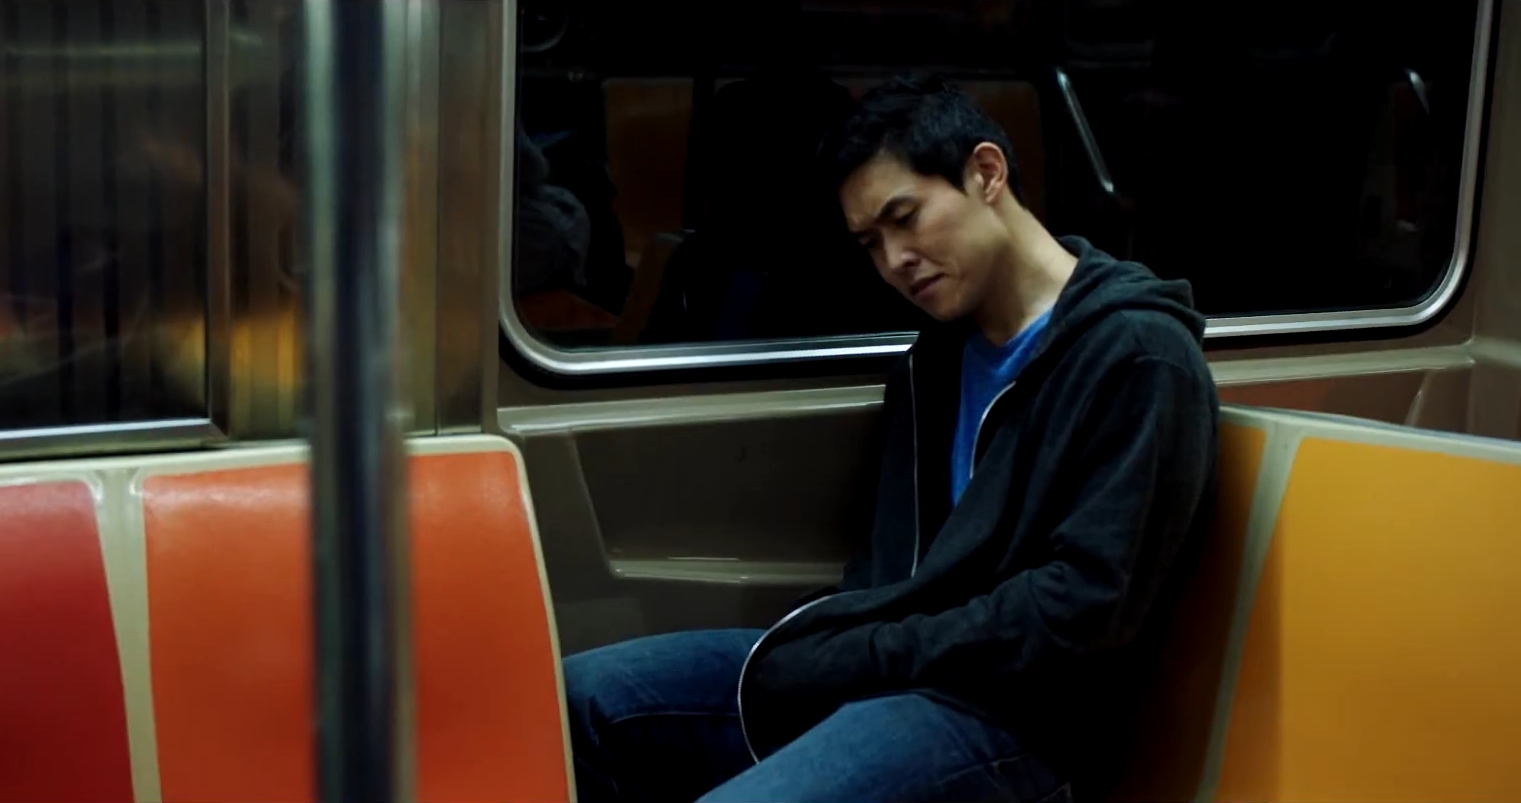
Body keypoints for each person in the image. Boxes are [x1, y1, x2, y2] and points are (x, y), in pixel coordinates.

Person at [562, 74, 1219, 803]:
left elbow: (1080, 611)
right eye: (871, 242)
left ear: (986, 173)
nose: (894, 261)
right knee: (576, 701)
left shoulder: (1135, 356)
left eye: (905, 218)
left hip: (1020, 722)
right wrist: (843, 641)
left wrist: (862, 654)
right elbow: (896, 562)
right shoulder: (937, 359)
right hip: (909, 675)